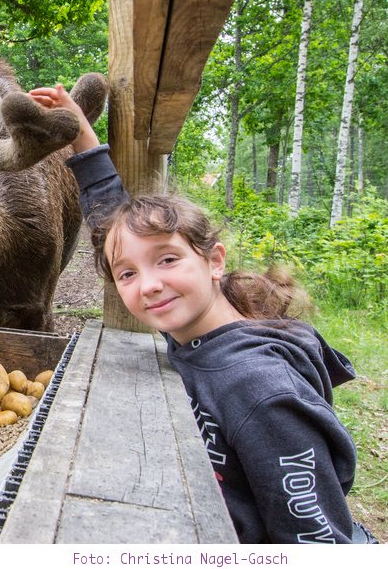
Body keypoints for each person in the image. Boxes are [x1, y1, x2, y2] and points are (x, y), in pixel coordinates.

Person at [29, 83, 377, 544]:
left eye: (168, 260)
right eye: (127, 273)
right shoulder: (198, 324)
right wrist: (81, 133)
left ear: (214, 261)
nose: (149, 284)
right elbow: (110, 220)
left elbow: (317, 541)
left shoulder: (260, 389)